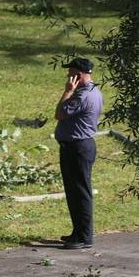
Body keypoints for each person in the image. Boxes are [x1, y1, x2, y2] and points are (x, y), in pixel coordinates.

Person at [54, 57, 103, 249]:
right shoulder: (95, 91)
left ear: (79, 75)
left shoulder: (81, 95)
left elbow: (59, 113)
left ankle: (84, 237)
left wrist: (68, 91)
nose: (68, 75)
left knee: (80, 192)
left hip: (77, 148)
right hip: (80, 146)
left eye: (70, 72)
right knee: (74, 191)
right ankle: (78, 232)